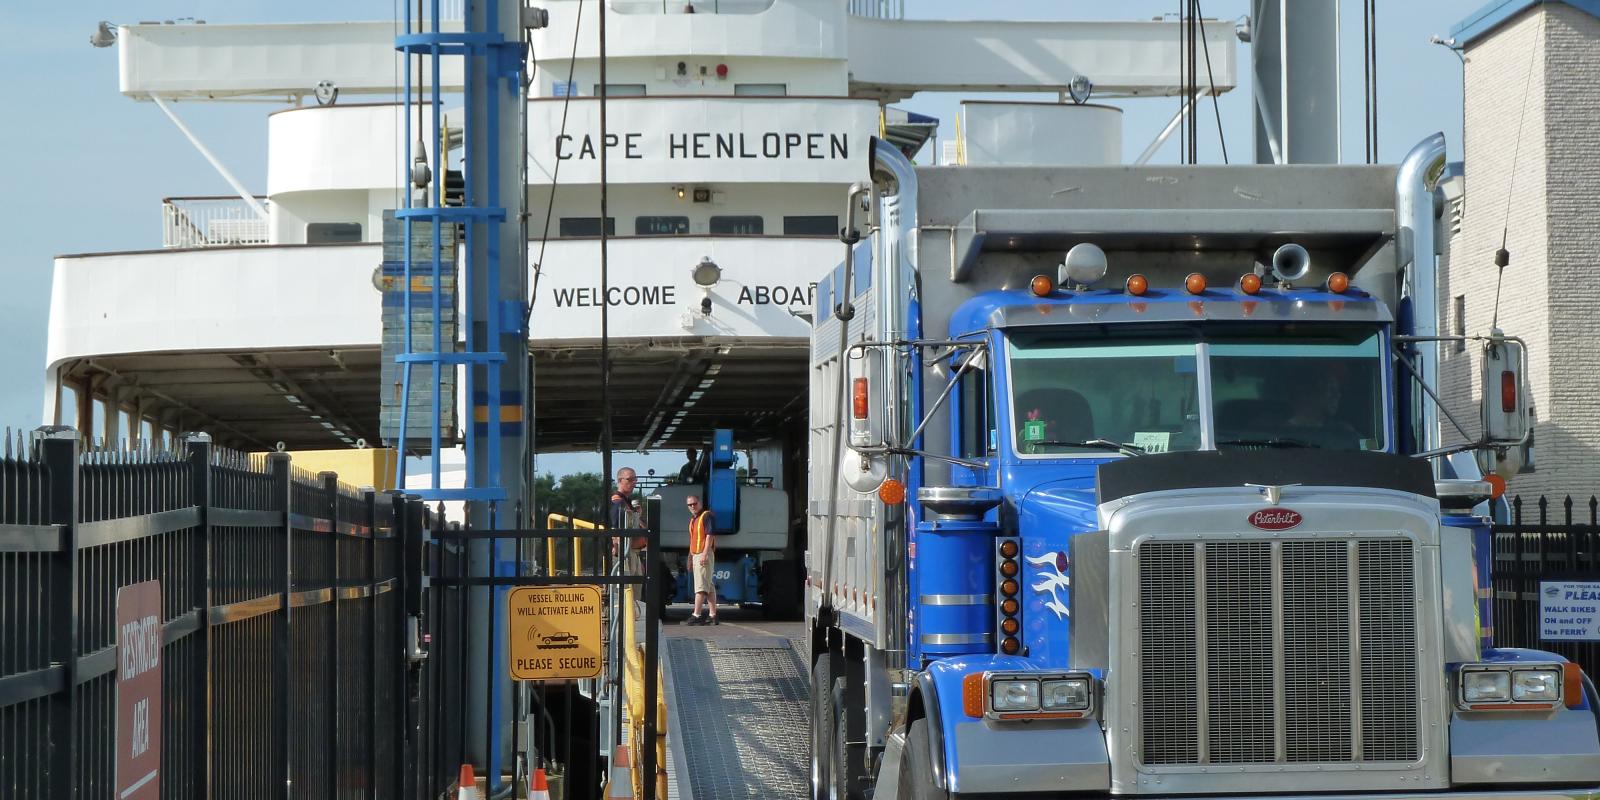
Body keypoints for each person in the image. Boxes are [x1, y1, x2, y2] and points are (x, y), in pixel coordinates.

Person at [682, 494, 718, 625]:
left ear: (700, 503)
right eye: (689, 505)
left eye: (694, 503)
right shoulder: (694, 519)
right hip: (696, 554)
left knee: (701, 586)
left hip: (703, 554)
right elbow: (693, 540)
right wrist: (690, 557)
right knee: (709, 585)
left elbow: (710, 536)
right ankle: (713, 615)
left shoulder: (706, 516)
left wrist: (704, 554)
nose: (692, 506)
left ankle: (696, 615)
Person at [609, 467, 647, 574]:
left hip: (632, 551)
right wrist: (616, 547)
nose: (634, 483)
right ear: (620, 480)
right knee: (625, 588)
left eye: (635, 479)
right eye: (630, 479)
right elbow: (615, 527)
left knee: (635, 587)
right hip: (624, 551)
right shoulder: (617, 501)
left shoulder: (627, 502)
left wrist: (638, 515)